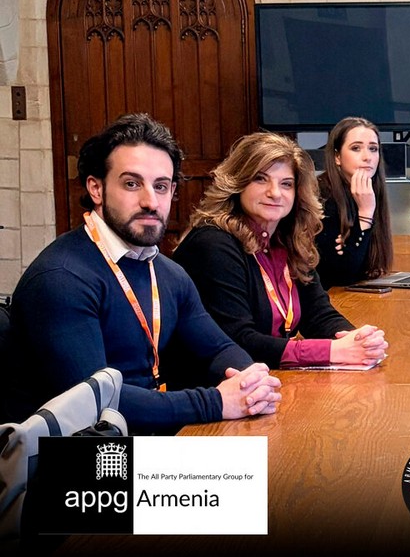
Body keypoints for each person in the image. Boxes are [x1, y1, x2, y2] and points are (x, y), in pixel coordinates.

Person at [0, 114, 281, 434]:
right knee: (252, 466)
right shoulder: (61, 278)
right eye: (131, 184)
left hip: (144, 435)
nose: (150, 201)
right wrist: (216, 402)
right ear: (96, 188)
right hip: (70, 454)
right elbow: (93, 404)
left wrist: (249, 382)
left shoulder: (168, 273)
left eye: (160, 186)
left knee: (275, 456)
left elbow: (218, 349)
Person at [173, 132, 388, 369]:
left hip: (267, 378)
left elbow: (317, 314)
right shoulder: (212, 244)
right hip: (215, 385)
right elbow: (238, 340)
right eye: (260, 179)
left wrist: (356, 339)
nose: (275, 193)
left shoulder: (287, 240)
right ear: (238, 183)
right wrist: (331, 351)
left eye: (286, 184)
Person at [315, 116, 393, 289]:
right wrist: (365, 213)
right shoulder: (321, 196)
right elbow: (341, 275)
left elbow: (365, 269)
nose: (367, 157)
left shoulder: (370, 191)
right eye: (356, 148)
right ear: (337, 156)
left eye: (373, 149)